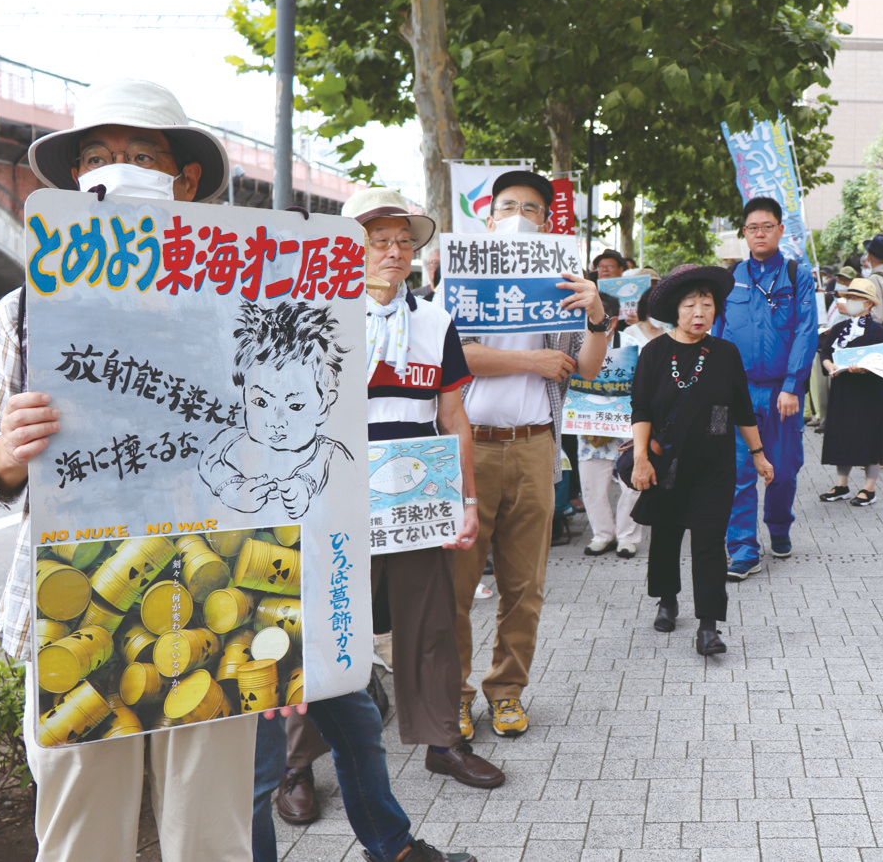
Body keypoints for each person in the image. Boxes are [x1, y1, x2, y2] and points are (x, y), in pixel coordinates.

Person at [0, 77, 256, 862]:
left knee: (210, 836)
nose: (113, 171)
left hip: (213, 596)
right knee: (80, 835)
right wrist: (4, 455)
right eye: (96, 157)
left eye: (139, 157)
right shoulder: (26, 309)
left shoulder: (239, 304)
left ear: (184, 180)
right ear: (75, 180)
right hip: (73, 601)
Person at [269, 190, 503, 835]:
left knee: (430, 620)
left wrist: (466, 499)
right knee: (324, 626)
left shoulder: (435, 322)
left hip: (415, 492)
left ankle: (443, 740)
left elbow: (453, 416)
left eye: (404, 240)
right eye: (379, 240)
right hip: (332, 490)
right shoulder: (310, 315)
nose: (395, 251)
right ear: (348, 248)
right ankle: (298, 765)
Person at [453, 169, 608, 740]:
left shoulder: (562, 282)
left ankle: (507, 692)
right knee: (456, 583)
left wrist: (597, 313)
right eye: (508, 206)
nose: (519, 216)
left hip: (536, 445)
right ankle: (454, 695)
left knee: (524, 584)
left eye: (532, 209)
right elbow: (454, 356)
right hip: (469, 447)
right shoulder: (462, 280)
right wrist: (530, 362)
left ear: (546, 223)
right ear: (488, 217)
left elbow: (586, 366)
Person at [630, 264, 772, 654]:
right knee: (666, 534)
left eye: (707, 305)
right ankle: (667, 599)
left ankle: (709, 626)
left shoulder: (725, 353)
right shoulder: (655, 352)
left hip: (715, 465)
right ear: (675, 310)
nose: (699, 313)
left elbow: (742, 410)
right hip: (667, 462)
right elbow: (641, 408)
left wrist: (758, 455)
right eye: (690, 305)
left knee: (709, 541)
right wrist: (641, 457)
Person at [713, 197, 815, 580]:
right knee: (737, 474)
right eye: (753, 228)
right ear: (744, 232)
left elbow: (806, 330)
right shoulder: (730, 278)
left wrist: (792, 384)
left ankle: (779, 526)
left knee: (783, 472)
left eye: (767, 226)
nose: (760, 233)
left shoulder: (796, 275)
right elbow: (718, 334)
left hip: (781, 393)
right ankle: (742, 550)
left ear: (780, 230)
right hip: (738, 394)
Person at [197, 300, 355, 519]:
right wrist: (229, 487)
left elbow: (350, 494)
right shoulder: (229, 441)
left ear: (324, 404)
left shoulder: (330, 454)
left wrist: (305, 486)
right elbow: (209, 461)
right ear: (244, 395)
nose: (275, 421)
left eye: (295, 406)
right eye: (261, 402)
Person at [816, 279, 883, 507]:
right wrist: (829, 365)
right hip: (842, 389)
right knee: (842, 435)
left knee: (868, 437)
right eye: (849, 297)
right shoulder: (839, 328)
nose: (850, 301)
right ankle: (842, 485)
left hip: (867, 393)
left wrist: (865, 368)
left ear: (868, 303)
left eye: (856, 298)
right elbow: (825, 352)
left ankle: (869, 488)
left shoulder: (876, 330)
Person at [579, 292, 643, 559]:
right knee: (591, 485)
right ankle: (602, 535)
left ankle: (627, 537)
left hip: (626, 427)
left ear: (613, 321)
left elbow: (645, 386)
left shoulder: (631, 346)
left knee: (631, 484)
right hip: (588, 427)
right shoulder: (576, 343)